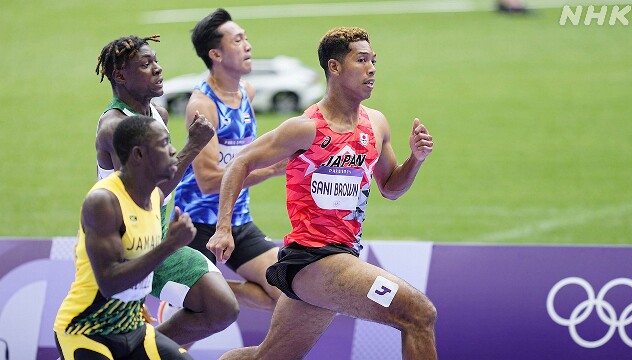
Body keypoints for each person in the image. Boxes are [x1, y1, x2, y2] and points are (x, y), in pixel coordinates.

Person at [209, 27, 438, 359]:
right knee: (419, 314)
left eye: (374, 60)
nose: (372, 68)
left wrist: (415, 160)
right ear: (334, 67)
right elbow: (240, 163)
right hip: (313, 260)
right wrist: (223, 227)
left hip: (338, 262)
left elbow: (390, 189)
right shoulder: (305, 128)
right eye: (361, 60)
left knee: (267, 358)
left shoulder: (376, 124)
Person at [94, 34, 239, 346]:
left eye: (156, 61)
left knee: (222, 308)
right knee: (99, 343)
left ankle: (143, 351)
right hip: (124, 249)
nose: (158, 69)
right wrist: (194, 146)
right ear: (120, 75)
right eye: (146, 65)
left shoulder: (158, 114)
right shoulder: (115, 127)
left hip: (158, 237)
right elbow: (144, 196)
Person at [54, 115, 194, 359]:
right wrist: (170, 244)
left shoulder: (152, 196)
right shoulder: (104, 202)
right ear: (138, 155)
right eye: (163, 144)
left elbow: (171, 178)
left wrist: (195, 144)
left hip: (133, 329)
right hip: (86, 330)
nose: (172, 150)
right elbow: (109, 283)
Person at [172, 8, 283, 312]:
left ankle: (215, 289)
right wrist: (272, 169)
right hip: (196, 223)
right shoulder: (202, 105)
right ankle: (199, 296)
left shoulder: (247, 91)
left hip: (237, 219)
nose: (248, 45)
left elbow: (243, 155)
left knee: (285, 294)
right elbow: (208, 182)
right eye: (237, 40)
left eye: (246, 38)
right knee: (199, 322)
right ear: (216, 54)